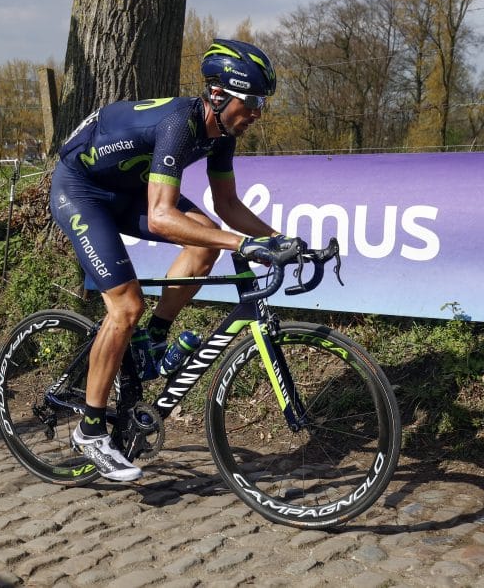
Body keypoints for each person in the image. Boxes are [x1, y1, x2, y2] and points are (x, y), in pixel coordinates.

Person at [50, 38, 303, 481]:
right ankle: (90, 431)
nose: (259, 112)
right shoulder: (179, 124)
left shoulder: (222, 132)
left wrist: (282, 240)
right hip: (82, 190)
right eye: (254, 100)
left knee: (205, 241)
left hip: (127, 189)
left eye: (263, 102)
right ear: (220, 95)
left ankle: (153, 341)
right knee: (126, 306)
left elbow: (227, 205)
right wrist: (244, 246)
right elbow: (164, 217)